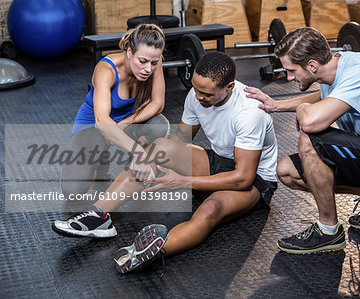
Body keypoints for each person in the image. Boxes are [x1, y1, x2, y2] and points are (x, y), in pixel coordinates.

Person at [52, 51, 278, 274]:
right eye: (195, 89)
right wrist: (157, 162)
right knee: (158, 147)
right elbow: (181, 139)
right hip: (218, 161)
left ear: (229, 87)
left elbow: (243, 178)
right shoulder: (198, 94)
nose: (198, 97)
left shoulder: (249, 113)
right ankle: (98, 216)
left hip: (253, 179)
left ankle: (151, 251)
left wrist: (182, 182)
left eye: (206, 94)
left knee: (211, 209)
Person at [245, 27, 360, 254]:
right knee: (286, 171)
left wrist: (305, 110)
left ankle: (328, 231)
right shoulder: (332, 71)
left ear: (312, 66)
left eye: (292, 71)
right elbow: (324, 96)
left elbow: (311, 123)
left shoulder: (359, 71)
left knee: (309, 137)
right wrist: (277, 106)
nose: (289, 77)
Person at [59, 24, 170, 201]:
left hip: (127, 122)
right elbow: (101, 120)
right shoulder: (106, 69)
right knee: (72, 190)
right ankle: (99, 161)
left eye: (154, 63)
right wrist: (138, 152)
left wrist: (125, 123)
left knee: (158, 125)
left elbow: (158, 104)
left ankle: (130, 171)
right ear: (129, 52)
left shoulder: (153, 61)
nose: (148, 68)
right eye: (142, 61)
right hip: (93, 125)